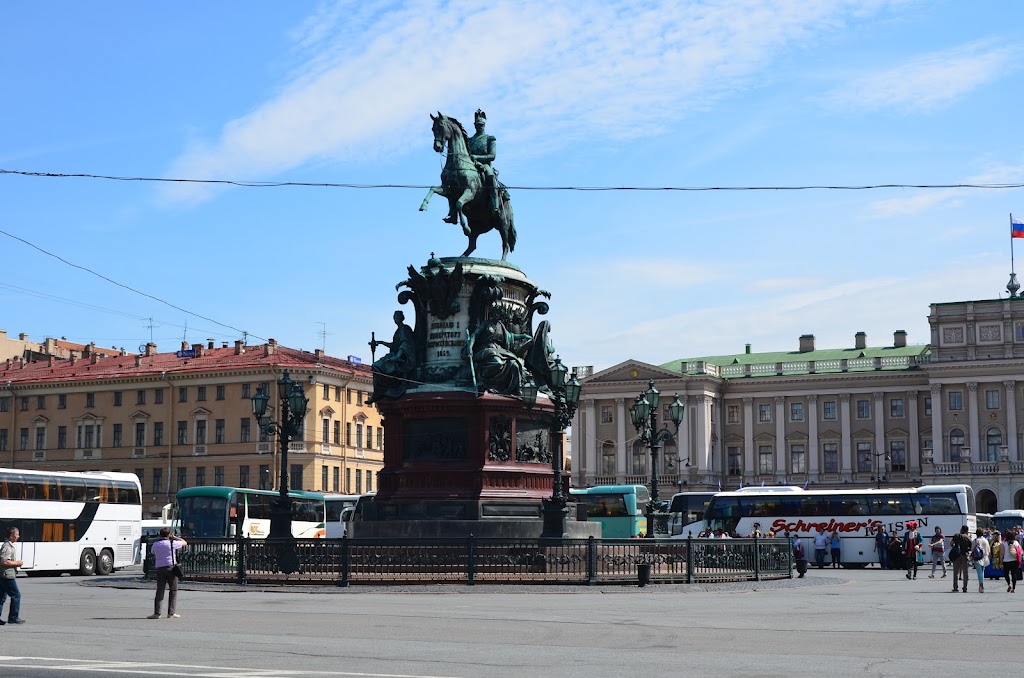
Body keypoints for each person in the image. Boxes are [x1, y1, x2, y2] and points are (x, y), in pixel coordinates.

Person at [368, 310, 417, 403]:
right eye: (394, 317)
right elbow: (394, 345)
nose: (395, 318)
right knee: (375, 366)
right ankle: (379, 392)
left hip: (403, 359)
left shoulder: (404, 329)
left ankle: (382, 390)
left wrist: (397, 356)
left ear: (400, 318)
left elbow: (404, 344)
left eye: (396, 316)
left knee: (378, 366)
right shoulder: (398, 331)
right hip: (396, 356)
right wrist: (381, 342)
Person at [149, 527, 187, 619]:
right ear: (169, 535)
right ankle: (171, 612)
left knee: (160, 591)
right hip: (171, 568)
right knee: (173, 590)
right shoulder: (172, 543)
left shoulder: (155, 544)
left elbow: (152, 552)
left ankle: (157, 613)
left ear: (160, 534)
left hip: (160, 568)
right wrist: (174, 537)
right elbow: (184, 542)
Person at [467, 109, 499, 217]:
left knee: (490, 176)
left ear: (484, 125)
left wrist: (476, 157)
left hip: (485, 165)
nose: (479, 127)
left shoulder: (490, 138)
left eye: (481, 125)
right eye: (477, 125)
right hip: (471, 165)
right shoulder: (470, 140)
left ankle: (495, 204)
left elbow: (492, 156)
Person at [0, 526, 25, 624]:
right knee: (16, 595)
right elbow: (5, 562)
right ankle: (13, 617)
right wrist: (17, 563)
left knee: (1, 597)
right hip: (7, 575)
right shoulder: (7, 547)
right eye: (17, 534)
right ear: (11, 536)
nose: (18, 536)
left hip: (4, 575)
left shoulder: (8, 545)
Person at [950, 525, 972, 593]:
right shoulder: (968, 538)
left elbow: (951, 543)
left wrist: (955, 547)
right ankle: (965, 587)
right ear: (967, 530)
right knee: (965, 572)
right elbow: (970, 548)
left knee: (955, 572)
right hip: (964, 555)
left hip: (957, 556)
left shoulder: (956, 535)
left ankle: (955, 587)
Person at [970, 528, 990, 593]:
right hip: (985, 557)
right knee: (982, 571)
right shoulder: (985, 540)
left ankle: (981, 585)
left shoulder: (975, 540)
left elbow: (972, 549)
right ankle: (981, 585)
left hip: (978, 557)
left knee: (979, 572)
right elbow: (988, 550)